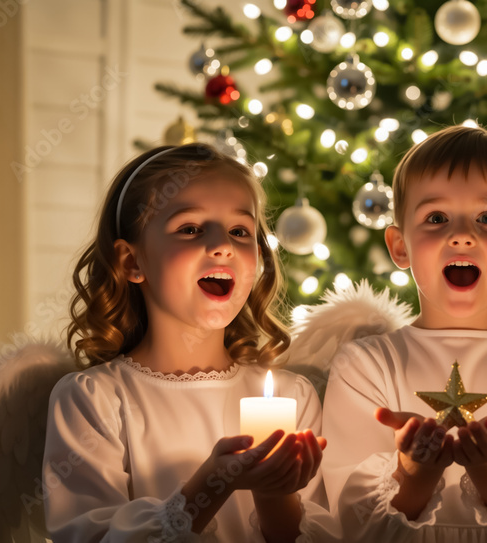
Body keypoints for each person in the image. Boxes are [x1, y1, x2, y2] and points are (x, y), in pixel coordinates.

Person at [44, 143, 335, 542]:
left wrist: (273, 493)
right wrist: (212, 483)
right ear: (132, 262)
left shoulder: (294, 397)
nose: (223, 246)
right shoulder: (93, 399)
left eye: (239, 231)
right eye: (191, 229)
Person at [322, 125, 487, 542]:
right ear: (400, 246)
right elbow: (355, 526)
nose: (462, 234)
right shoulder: (364, 364)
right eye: (436, 218)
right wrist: (413, 473)